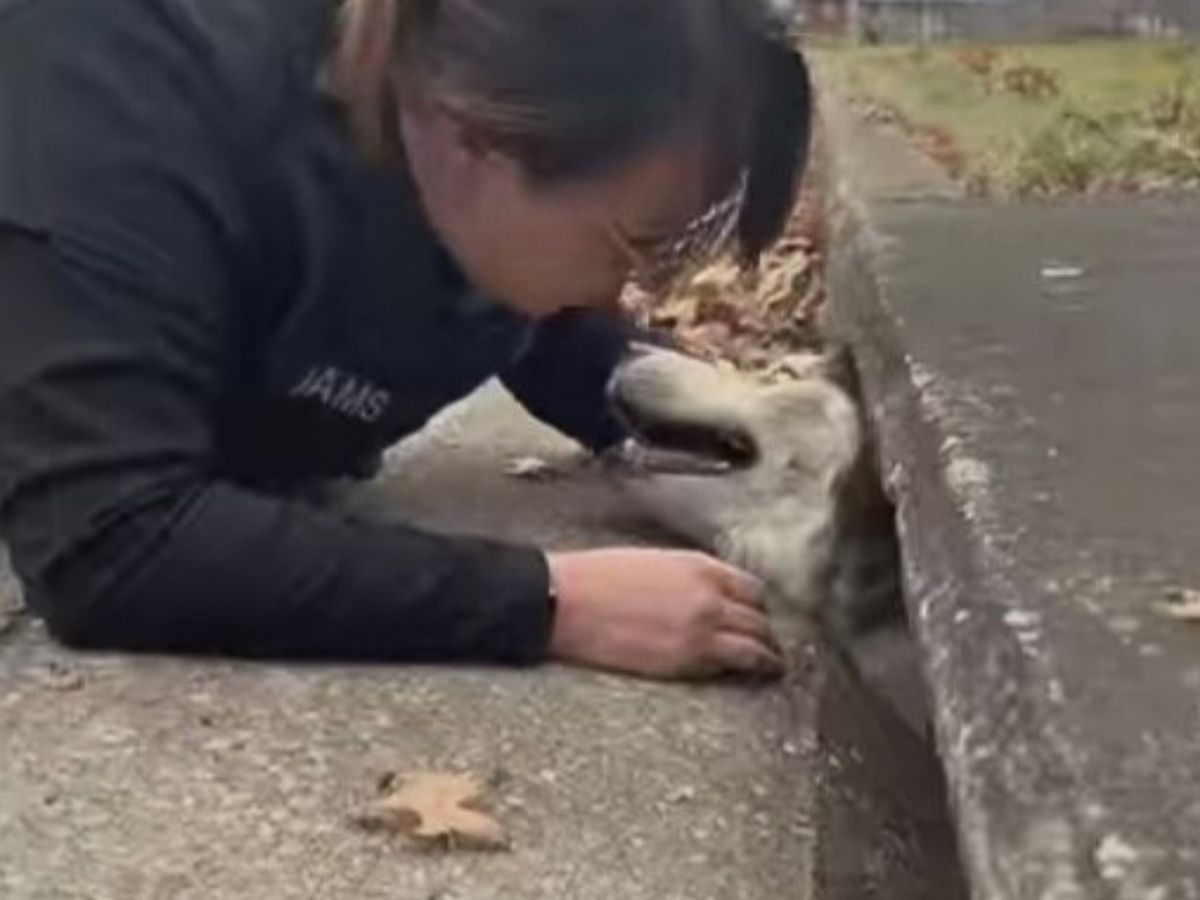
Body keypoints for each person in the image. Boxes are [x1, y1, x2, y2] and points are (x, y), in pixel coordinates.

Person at [0, 0, 811, 680]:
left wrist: (697, 431)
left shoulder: (435, 109)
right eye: (632, 246)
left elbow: (528, 315)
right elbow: (107, 540)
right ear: (474, 137)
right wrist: (548, 603)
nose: (624, 292)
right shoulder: (127, 81)